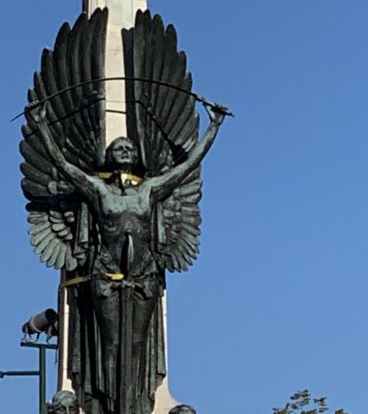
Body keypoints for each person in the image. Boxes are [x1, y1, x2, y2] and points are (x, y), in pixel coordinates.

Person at [28, 101, 226, 414]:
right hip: (105, 278)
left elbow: (187, 167)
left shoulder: (150, 190)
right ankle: (107, 403)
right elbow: (63, 165)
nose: (123, 150)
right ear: (109, 156)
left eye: (128, 148)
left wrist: (214, 127)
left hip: (143, 278)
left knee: (137, 345)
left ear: (135, 157)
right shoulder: (98, 191)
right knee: (109, 344)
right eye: (118, 147)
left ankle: (135, 402)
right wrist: (41, 125)